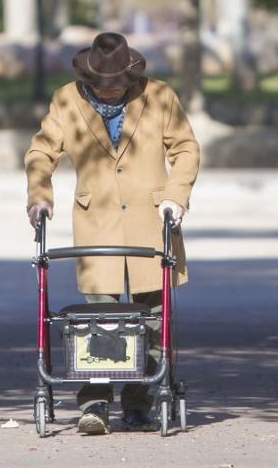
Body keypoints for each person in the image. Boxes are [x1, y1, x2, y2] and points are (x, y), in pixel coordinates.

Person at [24, 32, 200, 435]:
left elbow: (186, 148)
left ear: (131, 74)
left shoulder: (159, 96)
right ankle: (96, 405)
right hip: (96, 225)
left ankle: (141, 402)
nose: (110, 91)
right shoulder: (67, 100)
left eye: (118, 85)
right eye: (101, 86)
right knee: (99, 319)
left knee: (152, 320)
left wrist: (176, 196)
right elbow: (41, 152)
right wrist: (39, 196)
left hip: (151, 223)